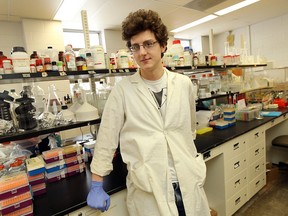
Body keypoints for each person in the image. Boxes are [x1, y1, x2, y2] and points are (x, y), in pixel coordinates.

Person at [87, 9, 211, 216]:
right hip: (149, 186)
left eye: (148, 44)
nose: (142, 52)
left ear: (162, 45)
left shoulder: (183, 84)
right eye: (135, 47)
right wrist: (97, 184)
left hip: (187, 177)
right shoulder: (123, 90)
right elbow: (107, 138)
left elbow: (189, 129)